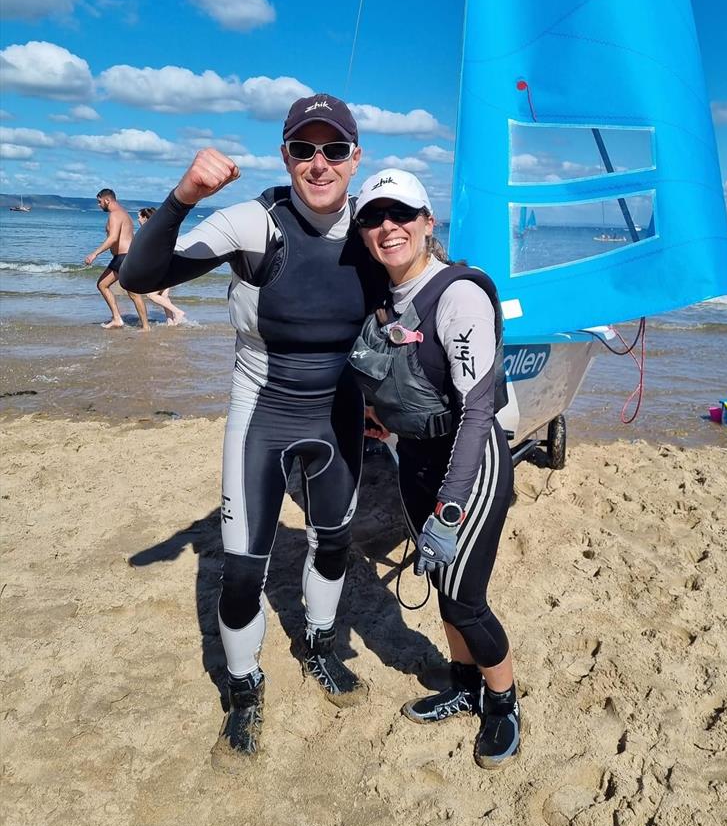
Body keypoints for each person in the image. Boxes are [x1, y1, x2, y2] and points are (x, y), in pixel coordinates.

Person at [120, 94, 384, 760]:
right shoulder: (252, 222)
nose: (318, 162)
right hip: (262, 412)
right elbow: (140, 273)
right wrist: (182, 196)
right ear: (285, 156)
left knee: (334, 543)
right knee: (242, 572)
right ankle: (244, 685)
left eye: (333, 149)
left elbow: (431, 299)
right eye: (303, 148)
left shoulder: (378, 226)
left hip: (341, 414)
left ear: (357, 158)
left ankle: (319, 646)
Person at [347, 169, 520, 770]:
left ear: (427, 222)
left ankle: (502, 704)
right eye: (373, 217)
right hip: (415, 456)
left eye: (401, 215)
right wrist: (379, 414)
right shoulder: (382, 294)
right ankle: (464, 686)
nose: (387, 227)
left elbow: (476, 411)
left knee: (467, 598)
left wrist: (450, 504)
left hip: (469, 460)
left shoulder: (457, 295)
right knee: (444, 589)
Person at [84, 189, 149, 329]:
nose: (98, 205)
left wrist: (94, 253)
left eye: (99, 201)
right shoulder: (124, 214)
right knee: (105, 285)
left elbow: (113, 238)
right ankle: (119, 319)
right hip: (127, 257)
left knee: (131, 292)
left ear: (107, 200)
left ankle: (143, 326)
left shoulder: (115, 215)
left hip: (123, 257)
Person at [136, 209, 187, 325]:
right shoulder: (160, 229)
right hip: (171, 265)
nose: (138, 219)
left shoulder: (148, 232)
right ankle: (170, 320)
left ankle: (178, 312)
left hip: (162, 267)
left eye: (139, 217)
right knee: (164, 295)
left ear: (145, 218)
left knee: (151, 295)